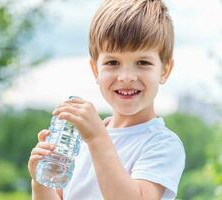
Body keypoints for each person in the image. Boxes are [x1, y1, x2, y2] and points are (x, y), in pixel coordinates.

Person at [28, 0, 185, 199]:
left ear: (165, 70)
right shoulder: (82, 141)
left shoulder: (162, 144)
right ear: (95, 70)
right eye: (112, 62)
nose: (126, 77)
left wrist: (97, 138)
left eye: (143, 62)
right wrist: (41, 182)